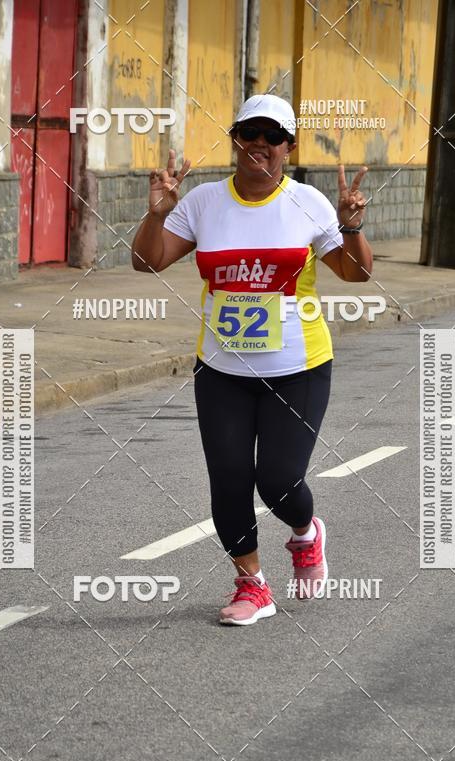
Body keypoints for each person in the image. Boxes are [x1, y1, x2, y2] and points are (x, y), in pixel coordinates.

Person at [132, 94, 372, 626]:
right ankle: (252, 584)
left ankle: (306, 534)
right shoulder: (202, 203)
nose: (260, 143)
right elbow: (147, 262)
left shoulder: (308, 203)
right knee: (229, 479)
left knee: (280, 481)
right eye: (249, 133)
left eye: (273, 135)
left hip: (299, 366)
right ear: (236, 140)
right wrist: (157, 214)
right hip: (221, 370)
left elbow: (356, 275)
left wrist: (350, 224)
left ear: (288, 147)